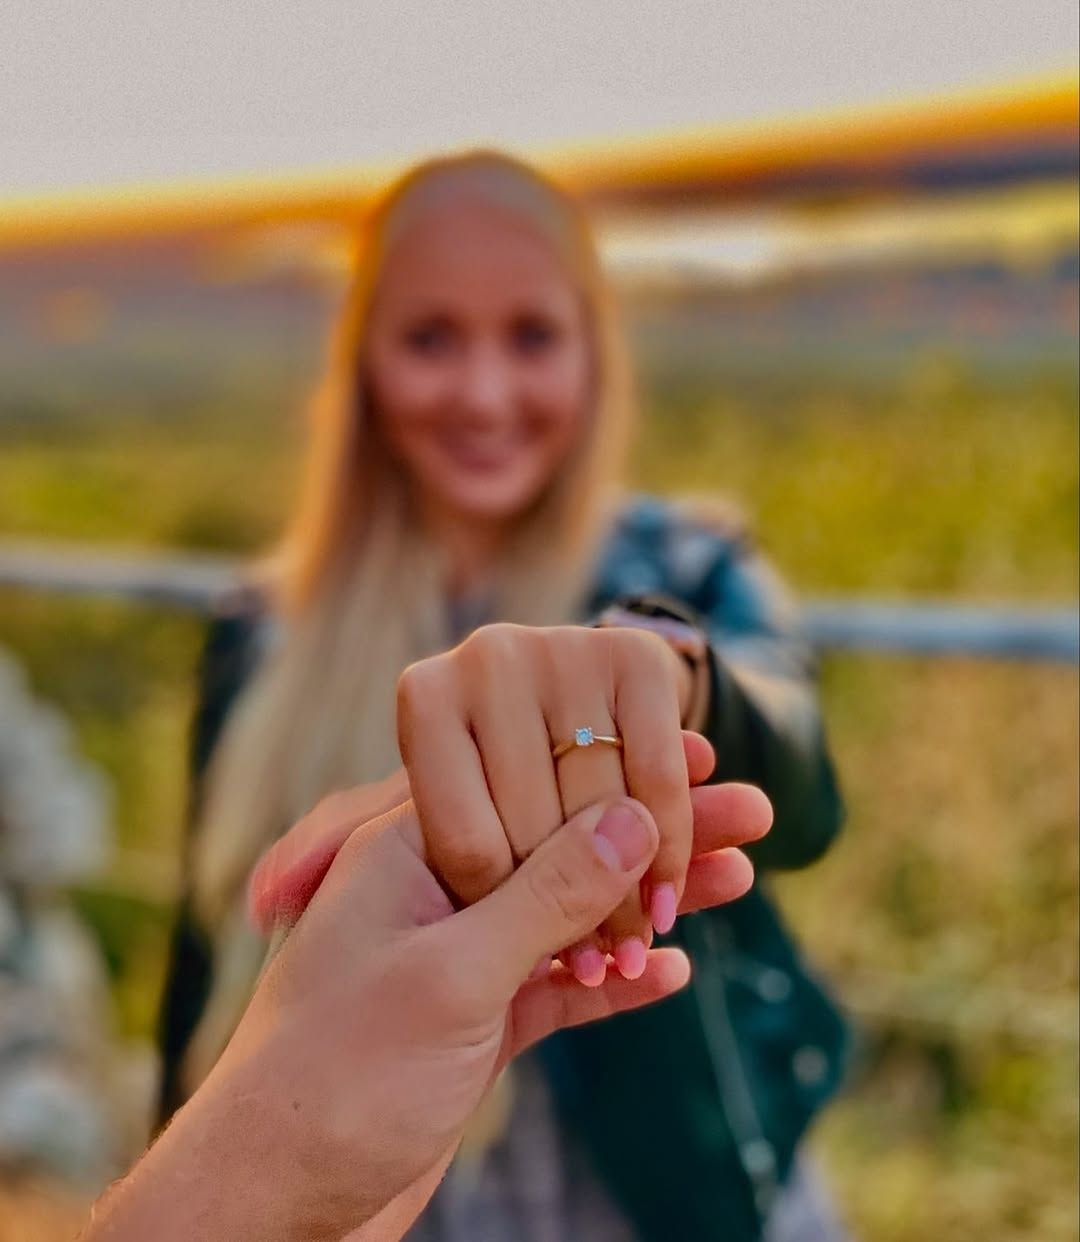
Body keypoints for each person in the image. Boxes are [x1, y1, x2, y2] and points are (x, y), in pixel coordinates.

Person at [158, 151, 849, 1240]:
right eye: (431, 338)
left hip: (663, 1203)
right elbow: (202, 969)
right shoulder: (260, 630)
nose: (484, 395)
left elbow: (802, 787)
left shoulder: (686, 562)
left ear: (593, 354)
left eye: (531, 336)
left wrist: (671, 674)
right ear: (365, 362)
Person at [91, 751, 772, 1241]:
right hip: (385, 1148)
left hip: (607, 1179)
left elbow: (782, 753)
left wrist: (664, 659)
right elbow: (198, 948)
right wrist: (222, 1145)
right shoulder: (256, 628)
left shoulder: (680, 584)